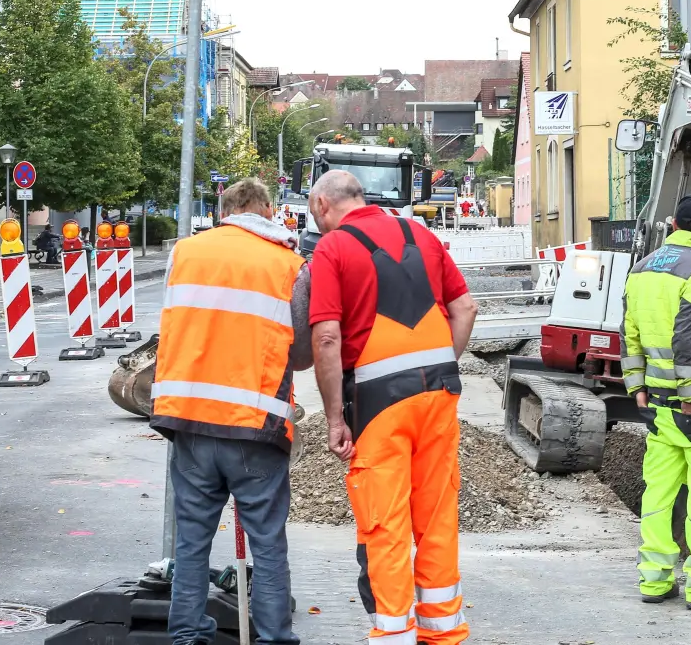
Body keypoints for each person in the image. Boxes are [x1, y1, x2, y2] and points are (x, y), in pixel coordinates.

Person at [306, 170, 478, 645]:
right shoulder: (420, 234)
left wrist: (336, 417)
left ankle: (393, 635)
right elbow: (466, 308)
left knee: (385, 524)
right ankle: (443, 632)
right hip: (438, 395)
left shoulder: (333, 249)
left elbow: (325, 337)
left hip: (380, 405)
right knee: (438, 517)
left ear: (323, 205)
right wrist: (442, 364)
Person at [152, 178, 313, 645]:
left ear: (225, 210)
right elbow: (300, 352)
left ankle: (186, 635)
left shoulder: (184, 253)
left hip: (188, 419)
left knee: (192, 540)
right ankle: (274, 638)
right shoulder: (287, 263)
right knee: (266, 542)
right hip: (254, 428)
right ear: (263, 209)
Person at [622, 194, 691, 610]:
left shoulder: (641, 269)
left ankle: (654, 581)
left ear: (672, 227)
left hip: (656, 405)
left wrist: (636, 388)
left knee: (658, 493)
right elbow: (689, 342)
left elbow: (630, 334)